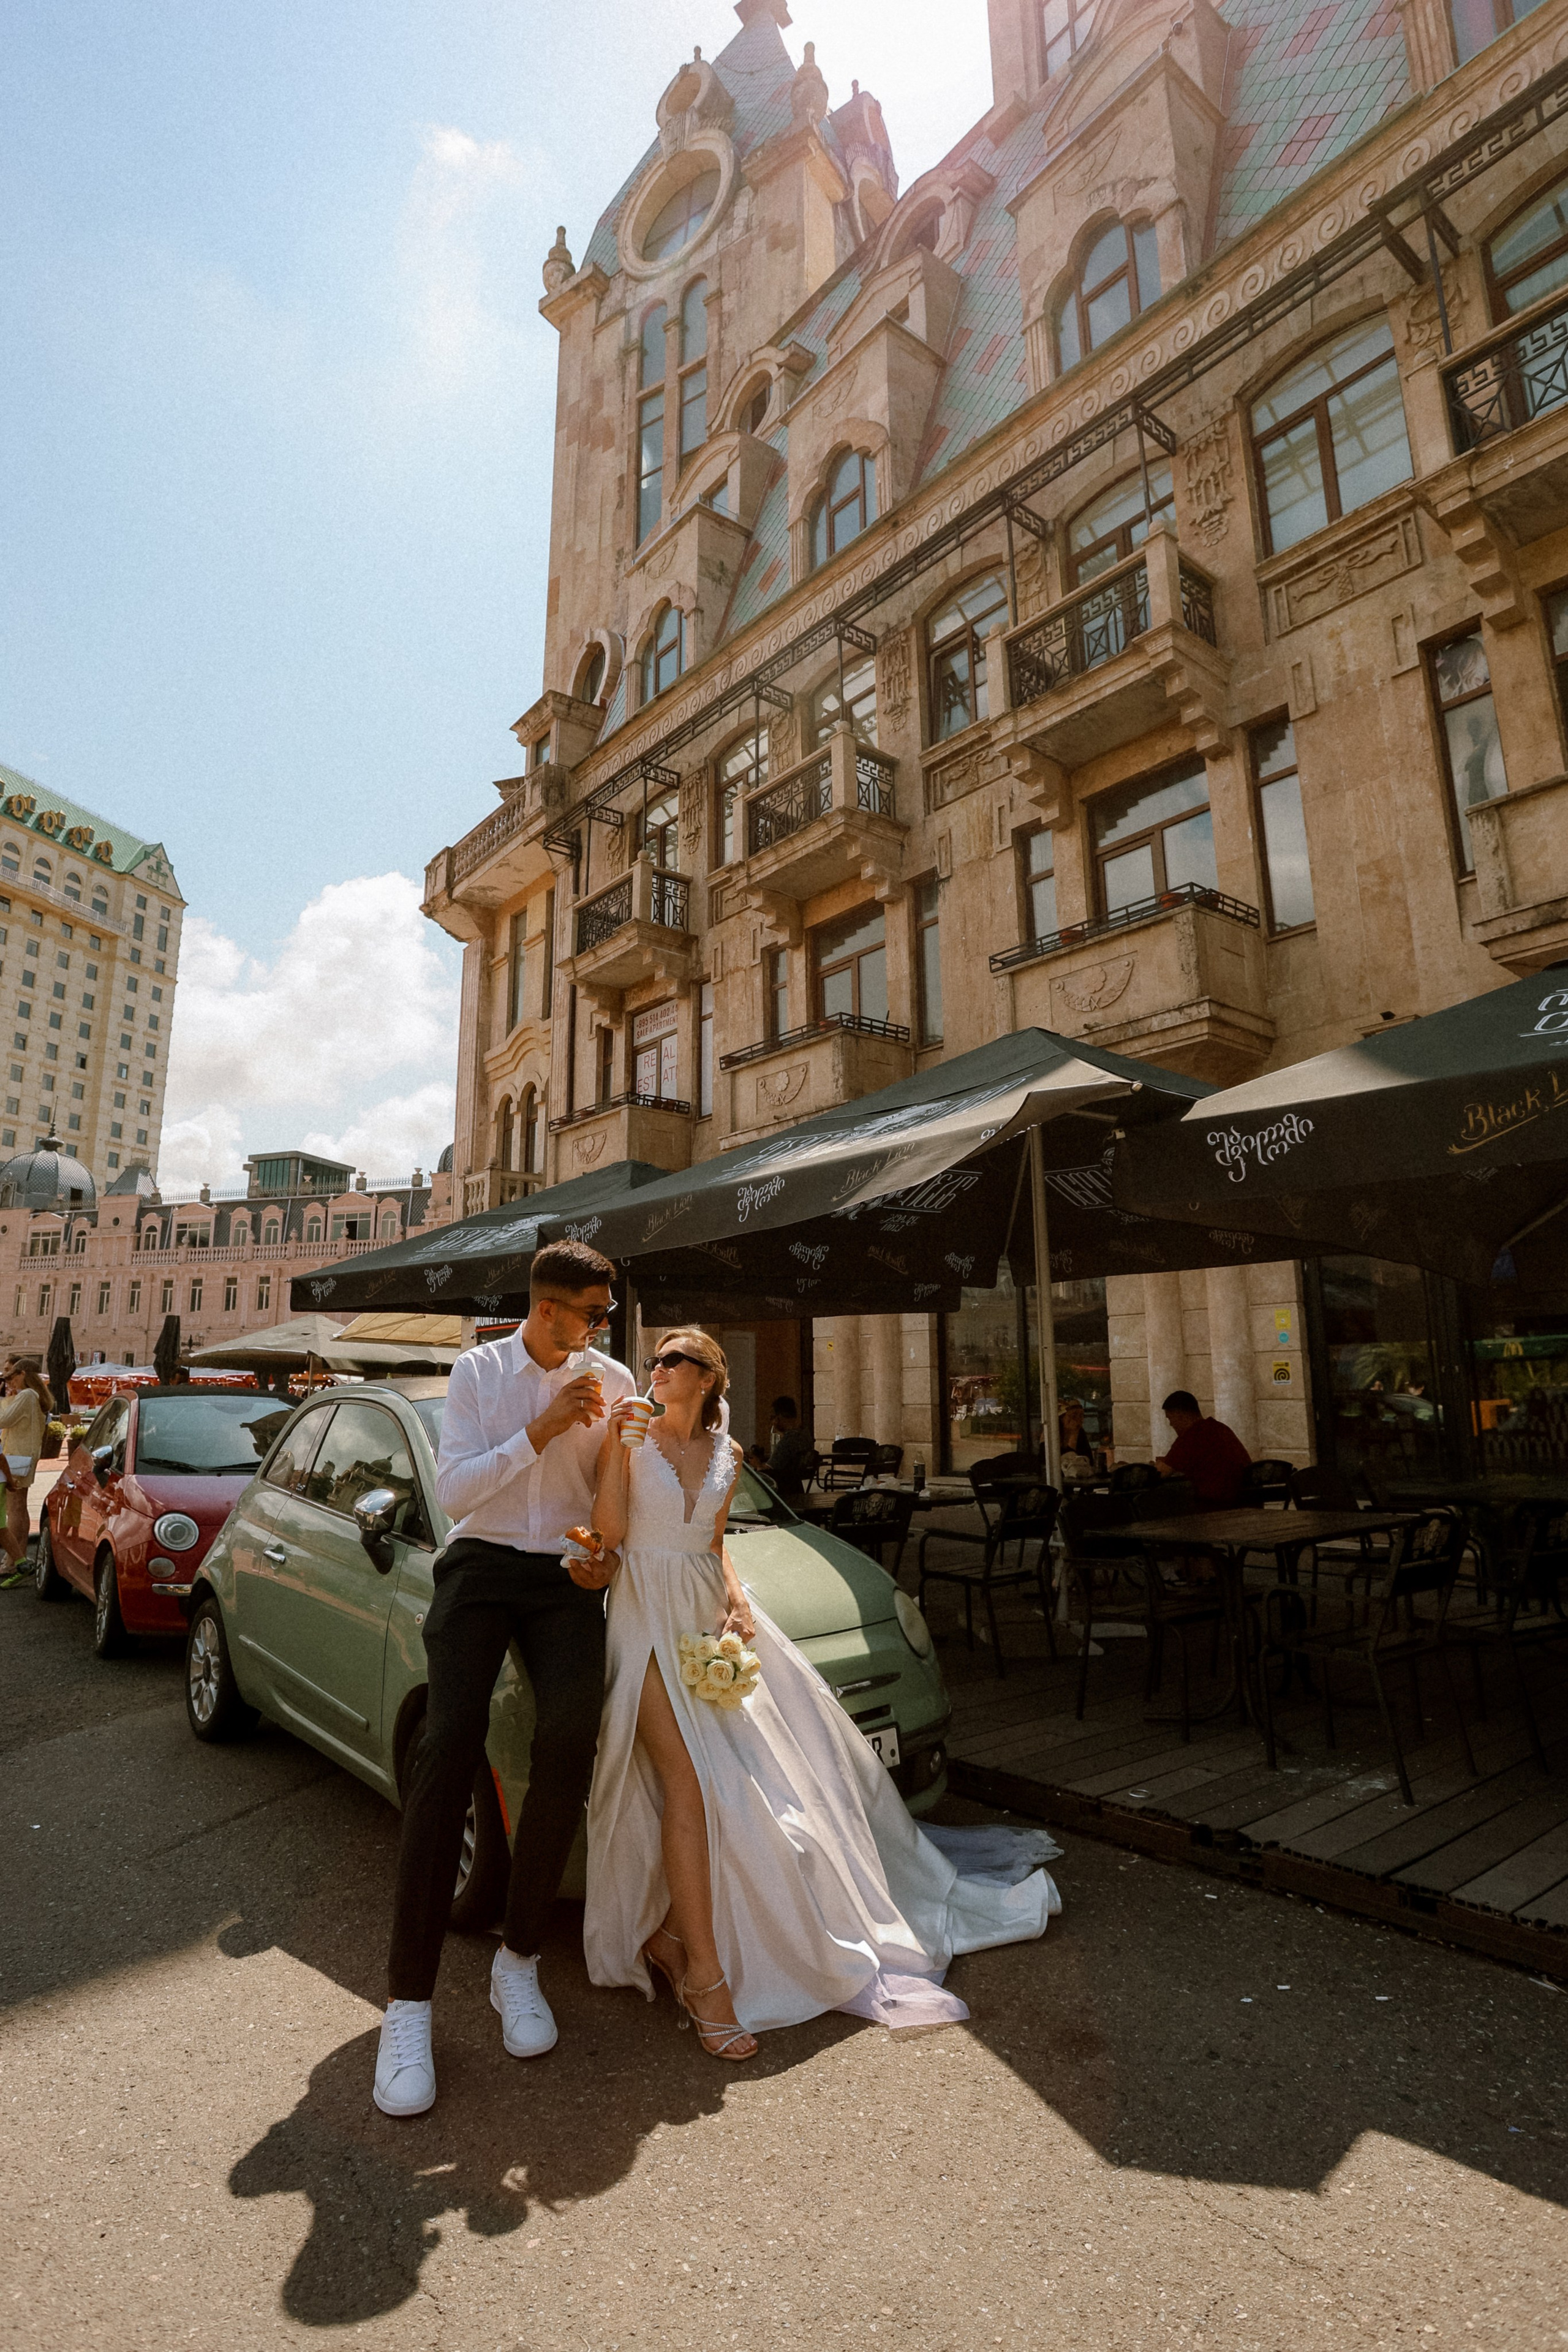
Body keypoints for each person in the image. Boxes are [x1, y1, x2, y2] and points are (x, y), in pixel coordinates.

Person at [578, 1329, 1059, 2057]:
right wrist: (615, 1446)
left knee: (760, 1789)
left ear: (707, 1378)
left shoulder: (729, 1456)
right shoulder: (632, 1436)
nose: (656, 1370)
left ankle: (674, 1939)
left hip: (706, 1617)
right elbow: (610, 1535)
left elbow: (712, 1545)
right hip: (644, 1614)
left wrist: (738, 1601)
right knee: (690, 1785)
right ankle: (705, 1978)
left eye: (671, 1360)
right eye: (653, 1361)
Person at [373, 1237, 636, 2119]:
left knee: (571, 1733)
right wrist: (544, 1426)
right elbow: (455, 1494)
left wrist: (609, 1554)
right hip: (482, 1564)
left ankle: (517, 1962)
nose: (603, 1329)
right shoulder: (479, 1373)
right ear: (550, 1309)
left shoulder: (619, 1380)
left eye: (608, 1316)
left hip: (563, 1575)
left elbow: (613, 1489)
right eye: (594, 1314)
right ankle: (407, 2004)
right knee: (449, 1745)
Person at [1154, 1389, 1251, 1508]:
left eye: (1170, 1419)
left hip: (1218, 1507)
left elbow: (1161, 1473)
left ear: (1180, 1415)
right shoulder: (1220, 1428)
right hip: (1246, 1501)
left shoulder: (1191, 1436)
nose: (1171, 1424)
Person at [0, 1361, 50, 1585]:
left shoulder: (27, 1395)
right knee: (18, 1509)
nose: (9, 1382)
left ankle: (14, 1561)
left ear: (23, 1374)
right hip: (22, 1458)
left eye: (12, 1377)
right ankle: (15, 1559)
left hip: (16, 1459)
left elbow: (4, 1420)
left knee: (15, 1510)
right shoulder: (33, 1396)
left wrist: (5, 1398)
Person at [764, 1395, 815, 1502]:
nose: (772, 1422)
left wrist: (755, 1463)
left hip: (783, 1491)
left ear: (779, 1417)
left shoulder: (788, 1441)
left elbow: (768, 1470)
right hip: (797, 1487)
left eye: (773, 1417)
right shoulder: (805, 1435)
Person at [1058, 1398, 1095, 1464]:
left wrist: (1075, 1432)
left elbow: (1088, 1460)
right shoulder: (1053, 1433)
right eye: (1073, 1416)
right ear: (1062, 1418)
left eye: (1081, 1416)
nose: (1078, 1419)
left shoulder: (1080, 1433)